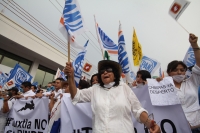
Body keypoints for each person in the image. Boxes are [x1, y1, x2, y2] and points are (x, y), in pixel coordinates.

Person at [65, 60, 160, 133]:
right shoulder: (94, 89)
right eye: (102, 71)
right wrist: (71, 77)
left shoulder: (124, 87)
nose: (105, 72)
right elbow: (76, 96)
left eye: (109, 70)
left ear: (115, 75)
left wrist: (149, 123)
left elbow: (138, 110)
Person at [157, 34, 200, 132]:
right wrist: (156, 83)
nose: (179, 72)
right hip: (175, 127)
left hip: (196, 126)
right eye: (175, 70)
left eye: (182, 70)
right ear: (169, 72)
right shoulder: (162, 86)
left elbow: (199, 65)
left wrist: (194, 45)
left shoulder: (192, 82)